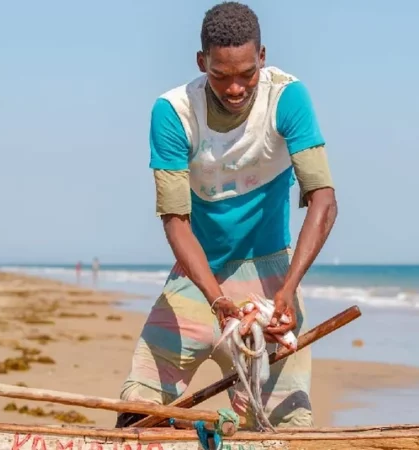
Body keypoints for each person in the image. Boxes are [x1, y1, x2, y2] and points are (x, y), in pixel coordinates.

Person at [116, 1, 337, 430]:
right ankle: (192, 427)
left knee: (284, 430)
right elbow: (175, 220)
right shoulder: (174, 112)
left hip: (271, 281)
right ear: (202, 62)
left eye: (246, 74)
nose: (235, 88)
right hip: (198, 280)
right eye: (220, 75)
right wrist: (216, 299)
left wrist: (288, 290)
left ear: (263, 57)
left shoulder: (287, 98)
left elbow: (323, 199)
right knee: (136, 413)